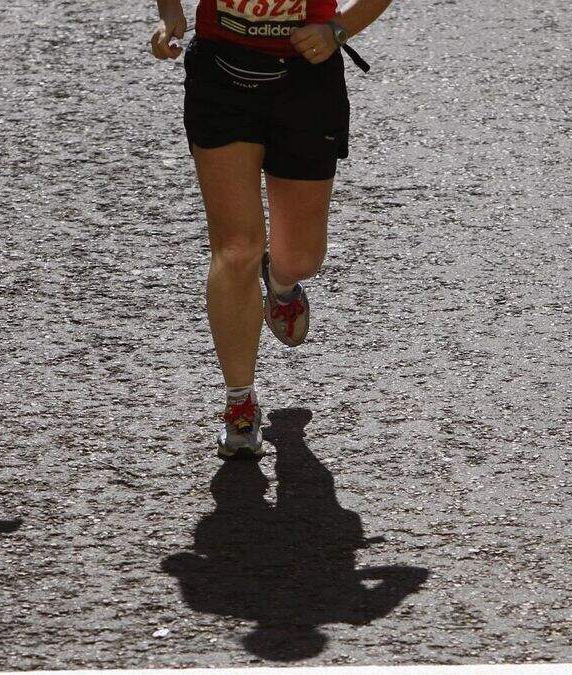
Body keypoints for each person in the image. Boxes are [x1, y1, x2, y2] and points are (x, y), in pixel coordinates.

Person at [150, 0, 393, 458]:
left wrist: (338, 30)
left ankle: (280, 282)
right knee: (237, 248)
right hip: (221, 74)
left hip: (307, 78)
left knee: (302, 258)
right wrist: (169, 14)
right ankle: (239, 404)